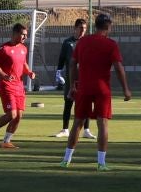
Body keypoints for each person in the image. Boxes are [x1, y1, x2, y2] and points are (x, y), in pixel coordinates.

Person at [63, 13, 131, 170]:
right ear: (108, 27)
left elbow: (73, 64)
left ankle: (66, 160)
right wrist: (125, 89)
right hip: (102, 89)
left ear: (96, 26)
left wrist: (73, 85)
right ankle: (101, 163)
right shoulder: (111, 44)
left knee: (77, 123)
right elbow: (119, 68)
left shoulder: (82, 42)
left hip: (84, 88)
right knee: (103, 124)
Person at [0, 21, 35, 148]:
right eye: (23, 34)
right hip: (7, 86)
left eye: (26, 35)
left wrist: (29, 72)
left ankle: (6, 141)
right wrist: (4, 75)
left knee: (18, 116)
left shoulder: (23, 48)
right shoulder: (4, 49)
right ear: (15, 34)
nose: (25, 37)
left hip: (19, 86)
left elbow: (23, 64)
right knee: (11, 114)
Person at [53, 17, 91, 139]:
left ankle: (86, 130)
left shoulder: (87, 42)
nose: (83, 31)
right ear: (75, 28)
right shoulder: (67, 43)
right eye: (81, 28)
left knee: (85, 103)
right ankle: (65, 129)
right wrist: (58, 72)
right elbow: (62, 58)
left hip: (85, 78)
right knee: (68, 102)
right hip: (71, 77)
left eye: (85, 28)